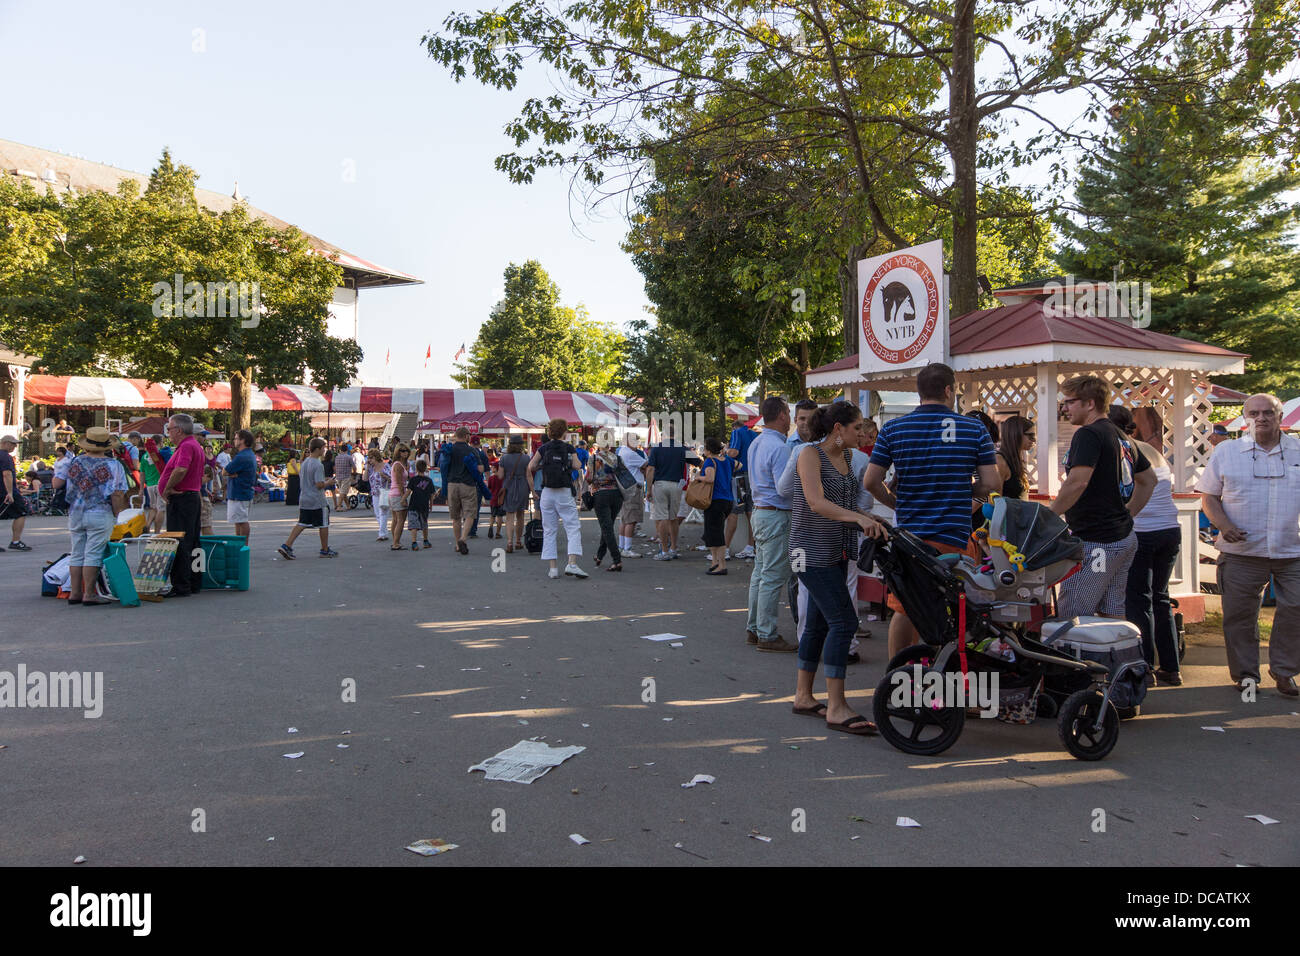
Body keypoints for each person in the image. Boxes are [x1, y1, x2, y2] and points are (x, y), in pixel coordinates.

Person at [864, 363, 1002, 659]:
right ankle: (944, 678)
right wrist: (962, 490)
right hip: (954, 536)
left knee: (906, 608)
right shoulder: (974, 428)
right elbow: (992, 484)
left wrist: (897, 503)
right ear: (949, 390)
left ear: (919, 392)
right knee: (953, 610)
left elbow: (871, 481)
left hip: (910, 538)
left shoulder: (893, 429)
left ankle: (898, 673)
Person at [790, 402, 889, 735]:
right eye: (857, 427)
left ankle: (804, 696)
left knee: (818, 624)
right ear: (838, 428)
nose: (863, 433)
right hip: (808, 552)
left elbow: (846, 505)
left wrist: (869, 517)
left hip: (836, 549)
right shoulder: (809, 455)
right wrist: (859, 518)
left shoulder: (847, 458)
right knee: (844, 621)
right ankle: (836, 706)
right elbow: (816, 502)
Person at [1196, 393, 1300, 697]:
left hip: (1292, 548)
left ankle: (1284, 671)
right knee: (1239, 615)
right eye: (1254, 413)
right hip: (1241, 550)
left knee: (1296, 608)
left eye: (1268, 412)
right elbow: (1209, 496)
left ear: (1281, 417)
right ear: (1245, 418)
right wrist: (1224, 526)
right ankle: (1246, 675)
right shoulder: (1227, 452)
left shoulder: (1298, 450)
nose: (1261, 418)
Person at [1048, 376, 1155, 620]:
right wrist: (1128, 514)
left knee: (1073, 614)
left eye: (1069, 402)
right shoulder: (1122, 436)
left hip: (1097, 542)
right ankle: (1116, 657)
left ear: (1090, 403)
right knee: (1112, 612)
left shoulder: (1088, 434)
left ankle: (1079, 658)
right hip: (1123, 538)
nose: (1064, 408)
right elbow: (1149, 480)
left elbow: (1078, 481)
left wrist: (1047, 516)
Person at [1115, 405, 1182, 686]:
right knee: (1161, 598)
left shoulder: (1124, 451)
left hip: (1143, 531)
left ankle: (1146, 667)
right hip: (1170, 529)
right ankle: (1171, 667)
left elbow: (1123, 491)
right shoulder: (1153, 450)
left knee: (1138, 599)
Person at [51, 427, 127, 604]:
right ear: (106, 446)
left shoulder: (74, 461)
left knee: (77, 553)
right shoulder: (114, 465)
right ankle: (89, 594)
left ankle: (75, 593)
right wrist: (116, 513)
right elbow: (117, 494)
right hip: (101, 512)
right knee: (93, 553)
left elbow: (56, 483)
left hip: (76, 512)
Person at [745, 397, 795, 650]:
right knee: (773, 577)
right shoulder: (780, 447)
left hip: (761, 512)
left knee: (760, 574)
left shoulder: (757, 443)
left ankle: (755, 628)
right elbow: (784, 488)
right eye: (789, 412)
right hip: (776, 514)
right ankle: (766, 633)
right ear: (783, 416)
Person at [527, 417, 588, 579]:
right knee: (572, 527)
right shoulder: (569, 448)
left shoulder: (544, 448)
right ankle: (572, 563)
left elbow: (531, 466)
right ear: (565, 432)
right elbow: (577, 466)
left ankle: (553, 568)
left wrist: (543, 467)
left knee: (549, 530)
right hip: (564, 491)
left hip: (547, 492)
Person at [157, 414, 206, 597]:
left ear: (178, 430)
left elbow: (181, 469)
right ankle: (194, 581)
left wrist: (168, 488)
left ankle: (181, 585)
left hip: (183, 498)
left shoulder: (186, 446)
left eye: (169, 429)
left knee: (179, 541)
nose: (168, 433)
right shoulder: (194, 445)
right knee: (192, 541)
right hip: (190, 497)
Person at [278, 438, 337, 559]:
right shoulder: (318, 464)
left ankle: (287, 545)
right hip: (317, 500)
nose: (324, 450)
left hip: (305, 497)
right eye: (323, 448)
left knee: (302, 522)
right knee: (324, 524)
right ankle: (324, 550)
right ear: (318, 449)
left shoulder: (304, 463)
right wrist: (329, 482)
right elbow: (319, 484)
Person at [438, 428, 491, 554]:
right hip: (468, 485)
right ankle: (463, 539)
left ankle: (457, 544)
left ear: (456, 436)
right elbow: (480, 469)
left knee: (456, 517)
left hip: (451, 485)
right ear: (467, 436)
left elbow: (442, 467)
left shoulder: (449, 450)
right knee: (470, 514)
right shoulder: (472, 450)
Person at [646, 431, 688, 560]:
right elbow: (699, 462)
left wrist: (648, 489)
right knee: (673, 518)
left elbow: (650, 469)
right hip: (677, 485)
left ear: (662, 436)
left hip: (660, 484)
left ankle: (664, 551)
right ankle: (673, 548)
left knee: (662, 518)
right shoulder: (682, 448)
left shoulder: (656, 449)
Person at [697, 437, 735, 574]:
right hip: (728, 500)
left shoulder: (709, 461)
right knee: (713, 532)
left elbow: (710, 478)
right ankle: (715, 562)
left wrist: (698, 477)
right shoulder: (727, 461)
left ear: (708, 449)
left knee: (716, 534)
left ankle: (721, 565)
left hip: (715, 500)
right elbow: (739, 465)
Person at [588, 444, 624, 571]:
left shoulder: (594, 458)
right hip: (617, 495)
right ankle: (599, 555)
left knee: (607, 528)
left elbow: (589, 478)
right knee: (608, 526)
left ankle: (617, 560)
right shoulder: (617, 458)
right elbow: (623, 476)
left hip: (601, 495)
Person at [725, 422, 757, 559]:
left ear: (734, 427)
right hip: (754, 477)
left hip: (740, 477)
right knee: (751, 512)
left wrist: (725, 450)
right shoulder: (755, 434)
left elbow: (734, 452)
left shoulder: (737, 433)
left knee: (734, 511)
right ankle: (750, 547)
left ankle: (724, 549)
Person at [497, 435, 532, 553]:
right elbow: (529, 475)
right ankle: (518, 541)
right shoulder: (526, 458)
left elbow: (500, 476)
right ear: (521, 445)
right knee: (520, 515)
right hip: (522, 486)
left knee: (509, 516)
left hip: (509, 487)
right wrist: (533, 491)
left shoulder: (504, 458)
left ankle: (509, 542)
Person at [0, 433, 32, 552]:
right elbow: (6, 474)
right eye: (13, 444)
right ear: (5, 443)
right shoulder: (5, 456)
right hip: (6, 491)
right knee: (21, 512)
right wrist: (10, 493)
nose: (15, 447)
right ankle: (16, 541)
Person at [616, 438, 648, 558]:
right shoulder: (630, 453)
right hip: (633, 488)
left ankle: (621, 546)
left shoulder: (621, 451)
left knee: (624, 519)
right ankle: (627, 549)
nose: (637, 444)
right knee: (632, 520)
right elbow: (646, 464)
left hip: (625, 487)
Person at [223, 429, 257, 539]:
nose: (234, 440)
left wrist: (233, 473)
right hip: (240, 492)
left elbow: (225, 471)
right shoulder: (248, 454)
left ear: (243, 440)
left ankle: (242, 546)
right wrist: (233, 474)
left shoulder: (242, 456)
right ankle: (239, 545)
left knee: (241, 521)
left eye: (236, 438)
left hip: (239, 493)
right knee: (238, 521)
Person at [995, 415, 1035, 501]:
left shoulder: (1016, 458)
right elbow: (995, 502)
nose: (1034, 440)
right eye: (1030, 435)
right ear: (1016, 434)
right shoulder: (1000, 461)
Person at [407, 459, 435, 550]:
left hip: (414, 504)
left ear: (416, 469)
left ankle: (414, 543)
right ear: (425, 469)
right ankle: (426, 541)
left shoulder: (413, 480)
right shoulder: (429, 480)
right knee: (424, 524)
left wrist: (403, 499)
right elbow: (432, 495)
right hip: (424, 505)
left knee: (414, 525)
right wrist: (431, 505)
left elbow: (409, 491)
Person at [388, 444, 412, 549]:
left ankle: (395, 541)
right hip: (398, 494)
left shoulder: (400, 464)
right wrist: (403, 498)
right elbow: (399, 483)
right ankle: (396, 543)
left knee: (395, 519)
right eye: (402, 451)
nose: (405, 453)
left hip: (393, 494)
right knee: (400, 520)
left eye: (406, 450)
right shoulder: (398, 465)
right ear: (398, 452)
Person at [467, 437, 492, 538]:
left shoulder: (466, 453)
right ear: (479, 444)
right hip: (478, 483)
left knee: (466, 507)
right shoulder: (482, 454)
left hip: (466, 483)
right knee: (476, 508)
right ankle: (472, 530)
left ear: (470, 442)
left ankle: (466, 527)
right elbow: (487, 473)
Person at [366, 450, 391, 541]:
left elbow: (391, 478)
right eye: (369, 458)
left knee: (383, 512)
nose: (370, 460)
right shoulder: (371, 468)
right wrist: (367, 467)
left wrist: (384, 476)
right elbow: (365, 478)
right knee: (377, 514)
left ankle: (381, 534)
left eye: (371, 458)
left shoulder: (385, 466)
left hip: (384, 491)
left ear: (376, 457)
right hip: (374, 493)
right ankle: (384, 532)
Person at [333, 443, 356, 511]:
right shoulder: (349, 457)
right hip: (346, 476)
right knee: (343, 492)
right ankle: (338, 506)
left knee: (343, 492)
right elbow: (354, 467)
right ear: (347, 450)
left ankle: (348, 506)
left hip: (338, 476)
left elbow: (335, 467)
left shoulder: (337, 457)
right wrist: (354, 474)